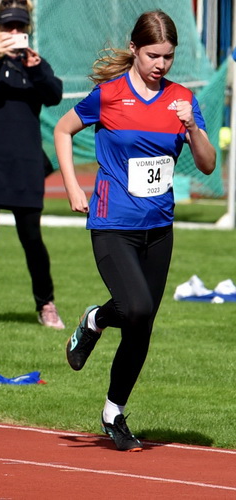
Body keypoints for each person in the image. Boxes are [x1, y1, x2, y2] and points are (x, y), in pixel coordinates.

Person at [54, 10, 215, 452]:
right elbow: (63, 130)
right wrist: (72, 184)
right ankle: (96, 319)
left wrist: (192, 126)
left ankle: (113, 412)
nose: (161, 64)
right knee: (137, 307)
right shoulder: (108, 96)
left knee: (142, 326)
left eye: (168, 56)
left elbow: (207, 163)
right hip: (112, 223)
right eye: (152, 55)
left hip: (159, 229)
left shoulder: (182, 99)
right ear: (134, 49)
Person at [0, 0, 64, 330]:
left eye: (20, 26)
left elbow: (54, 95)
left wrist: (34, 67)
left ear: (28, 29)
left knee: (32, 239)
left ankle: (46, 305)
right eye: (8, 26)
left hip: (25, 166)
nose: (14, 32)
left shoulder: (36, 64)